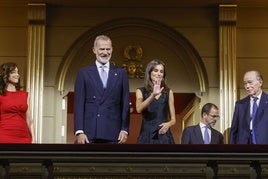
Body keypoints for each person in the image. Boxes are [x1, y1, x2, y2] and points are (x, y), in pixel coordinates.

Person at [74, 35, 130, 144]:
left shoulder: (121, 73)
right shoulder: (84, 73)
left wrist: (124, 129)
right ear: (94, 50)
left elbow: (125, 104)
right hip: (89, 132)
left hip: (114, 133)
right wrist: (79, 131)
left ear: (112, 50)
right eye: (102, 49)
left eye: (108, 49)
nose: (105, 52)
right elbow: (79, 104)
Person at [135, 59, 176, 144]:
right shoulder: (140, 91)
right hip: (147, 134)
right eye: (156, 70)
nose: (159, 74)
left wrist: (168, 124)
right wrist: (153, 95)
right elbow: (139, 109)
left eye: (161, 71)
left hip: (163, 134)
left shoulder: (168, 92)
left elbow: (173, 119)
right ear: (149, 73)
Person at [229, 70, 268, 144]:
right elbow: (234, 131)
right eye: (245, 83)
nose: (247, 86)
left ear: (260, 82)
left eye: (250, 82)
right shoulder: (240, 104)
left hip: (264, 148)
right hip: (244, 148)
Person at [0, 62, 34, 143]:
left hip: (24, 137)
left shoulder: (25, 95)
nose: (17, 74)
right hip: (4, 136)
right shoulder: (1, 95)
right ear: (6, 74)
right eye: (13, 72)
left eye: (18, 72)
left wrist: (34, 139)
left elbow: (30, 120)